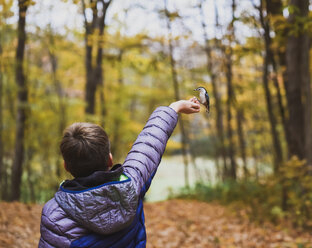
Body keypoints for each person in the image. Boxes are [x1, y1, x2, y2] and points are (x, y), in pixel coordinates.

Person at [38, 98, 200, 248]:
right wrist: (174, 108)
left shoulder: (54, 215)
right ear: (110, 159)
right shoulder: (131, 186)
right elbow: (149, 143)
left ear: (66, 166)